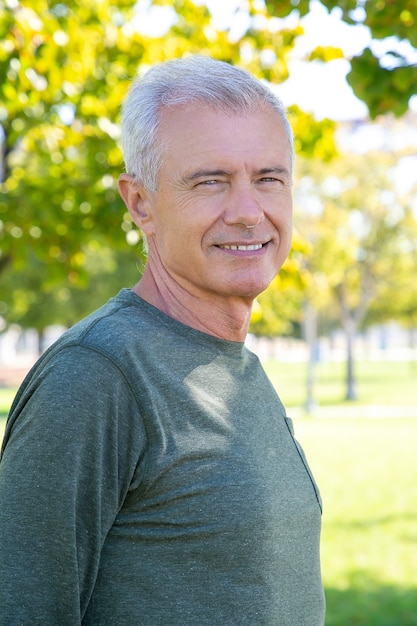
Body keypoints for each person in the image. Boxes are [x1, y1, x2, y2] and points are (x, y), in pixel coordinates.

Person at [0, 55, 325, 625]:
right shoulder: (99, 375)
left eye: (268, 178)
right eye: (211, 181)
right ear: (140, 203)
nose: (249, 212)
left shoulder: (232, 364)